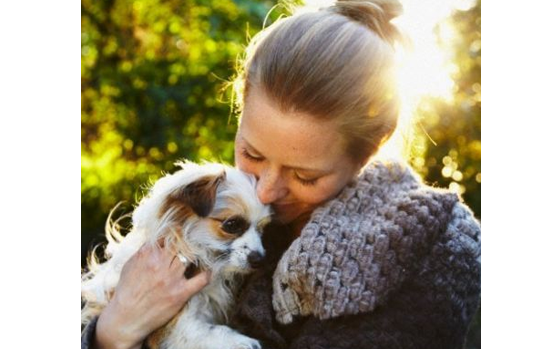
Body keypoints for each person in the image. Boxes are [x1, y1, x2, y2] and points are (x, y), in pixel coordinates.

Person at [82, 0, 481, 348]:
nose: (267, 190)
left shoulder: (433, 249)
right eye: (252, 154)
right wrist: (113, 331)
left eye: (305, 177)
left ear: (371, 148)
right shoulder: (216, 205)